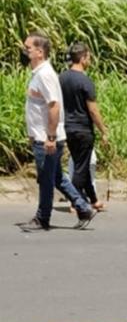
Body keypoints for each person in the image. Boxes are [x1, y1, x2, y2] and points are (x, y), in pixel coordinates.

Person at [19, 32, 96, 232]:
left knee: (46, 179)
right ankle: (83, 207)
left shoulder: (45, 75)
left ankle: (42, 218)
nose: (25, 51)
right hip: (42, 137)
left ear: (40, 52)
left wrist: (50, 137)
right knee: (56, 177)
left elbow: (54, 106)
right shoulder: (40, 74)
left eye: (28, 48)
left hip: (47, 139)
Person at [59, 42, 108, 211]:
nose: (90, 60)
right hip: (83, 129)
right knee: (81, 167)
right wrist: (103, 130)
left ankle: (93, 199)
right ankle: (76, 200)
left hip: (68, 128)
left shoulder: (62, 78)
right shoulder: (85, 81)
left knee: (82, 164)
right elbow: (93, 110)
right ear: (82, 58)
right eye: (89, 57)